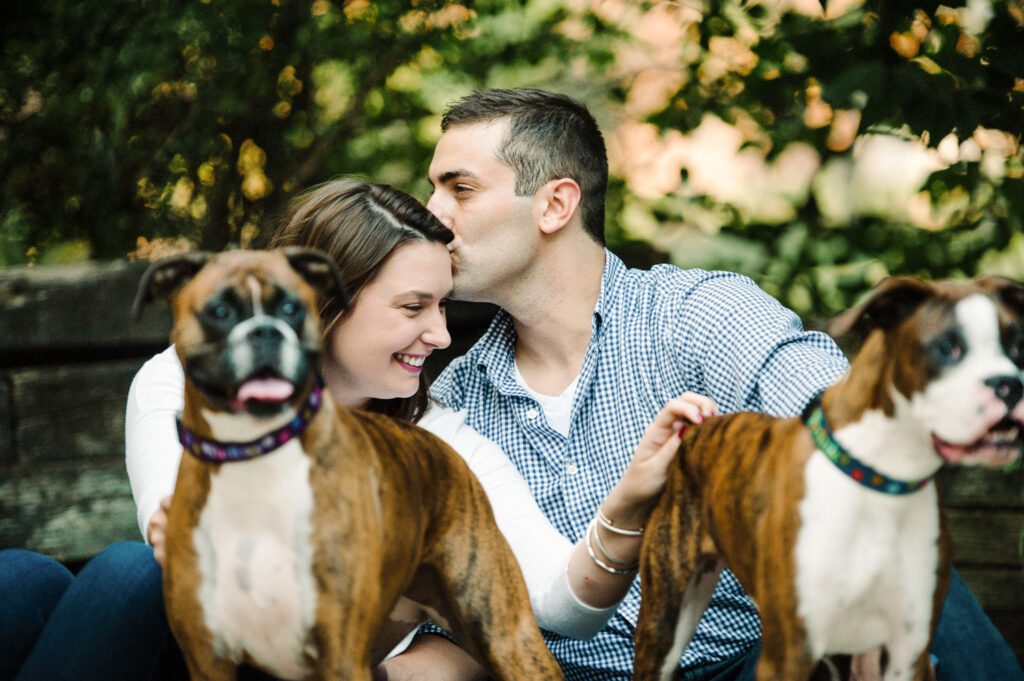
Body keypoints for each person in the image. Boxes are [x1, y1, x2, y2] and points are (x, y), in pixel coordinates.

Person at [376, 87, 1024, 681]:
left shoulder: (699, 316)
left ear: (555, 204)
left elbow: (839, 421)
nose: (430, 216)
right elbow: (454, 612)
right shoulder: (457, 398)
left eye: (458, 189)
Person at [0, 177, 711, 681]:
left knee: (109, 575)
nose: (439, 333)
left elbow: (553, 603)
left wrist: (626, 503)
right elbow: (173, 519)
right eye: (413, 306)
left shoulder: (435, 446)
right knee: (23, 578)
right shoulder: (184, 378)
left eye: (443, 305)